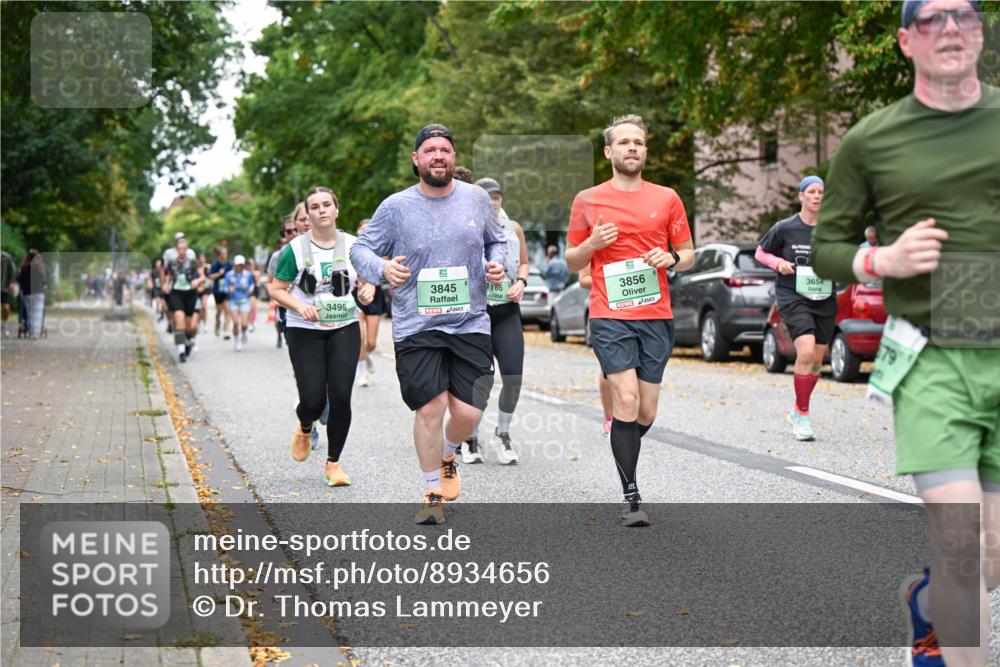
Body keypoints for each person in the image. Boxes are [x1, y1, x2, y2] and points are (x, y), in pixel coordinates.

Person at [812, 2, 998, 665]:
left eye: (965, 15)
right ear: (904, 41)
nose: (950, 27)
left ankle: (927, 603)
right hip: (933, 355)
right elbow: (827, 246)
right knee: (964, 546)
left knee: (991, 561)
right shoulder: (873, 138)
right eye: (931, 17)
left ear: (981, 32)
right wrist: (879, 260)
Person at [350, 123, 507, 524]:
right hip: (417, 324)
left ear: (453, 158)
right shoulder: (396, 207)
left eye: (446, 150)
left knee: (470, 412)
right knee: (431, 406)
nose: (439, 156)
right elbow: (361, 249)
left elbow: (498, 240)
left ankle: (449, 452)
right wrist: (383, 268)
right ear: (416, 159)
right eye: (431, 150)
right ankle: (431, 490)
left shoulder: (475, 200)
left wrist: (497, 264)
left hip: (470, 320)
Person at [565, 114, 695, 527]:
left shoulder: (668, 197)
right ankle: (632, 496)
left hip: (655, 316)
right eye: (624, 142)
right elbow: (572, 261)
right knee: (625, 399)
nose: (632, 148)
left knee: (646, 410)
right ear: (609, 151)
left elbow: (689, 253)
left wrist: (671, 258)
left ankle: (622, 444)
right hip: (609, 314)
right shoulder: (588, 200)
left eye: (638, 142)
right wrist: (592, 243)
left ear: (645, 150)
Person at [268, 186, 375, 487]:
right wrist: (300, 306)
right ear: (308, 215)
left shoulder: (355, 246)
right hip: (305, 331)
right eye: (314, 207)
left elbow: (368, 283)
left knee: (341, 396)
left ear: (337, 210)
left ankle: (334, 464)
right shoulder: (296, 250)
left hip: (344, 326)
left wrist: (368, 291)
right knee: (313, 400)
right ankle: (304, 426)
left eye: (327, 204)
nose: (322, 210)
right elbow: (276, 289)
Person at [754, 175, 833, 442]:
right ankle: (803, 413)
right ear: (801, 196)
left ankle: (799, 408)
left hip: (824, 297)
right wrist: (779, 264)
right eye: (811, 191)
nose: (817, 196)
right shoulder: (785, 228)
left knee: (817, 361)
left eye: (821, 192)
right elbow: (760, 252)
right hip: (793, 296)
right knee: (807, 351)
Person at [461, 177, 529, 465]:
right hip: (476, 314)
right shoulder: (463, 228)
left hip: (506, 312)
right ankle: (470, 437)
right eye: (486, 197)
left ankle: (503, 434)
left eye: (497, 197)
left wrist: (522, 282)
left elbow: (523, 263)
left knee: (513, 376)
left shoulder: (513, 229)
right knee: (478, 380)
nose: (492, 201)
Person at [578, 266, 615, 437]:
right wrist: (613, 278)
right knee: (609, 366)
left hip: (639, 310)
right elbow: (584, 279)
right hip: (607, 309)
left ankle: (629, 413)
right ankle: (609, 417)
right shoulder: (596, 238)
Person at [351, 218, 387, 388]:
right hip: (355, 295)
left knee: (371, 342)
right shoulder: (352, 248)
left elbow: (385, 268)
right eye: (362, 228)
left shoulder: (381, 248)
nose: (365, 230)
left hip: (375, 295)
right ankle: (362, 372)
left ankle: (366, 355)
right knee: (359, 338)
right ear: (358, 230)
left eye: (368, 228)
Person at [161, 232, 205, 362]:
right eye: (179, 249)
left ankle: (189, 340)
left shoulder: (193, 262)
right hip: (176, 293)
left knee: (191, 326)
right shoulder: (172, 261)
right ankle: (181, 351)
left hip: (191, 293)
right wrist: (165, 285)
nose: (182, 251)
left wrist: (198, 281)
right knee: (179, 319)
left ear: (187, 249)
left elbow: (202, 276)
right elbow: (168, 276)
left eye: (184, 249)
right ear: (176, 248)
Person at [224, 255, 256, 351]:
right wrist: (229, 289)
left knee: (244, 324)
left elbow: (252, 284)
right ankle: (237, 341)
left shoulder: (248, 274)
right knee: (235, 322)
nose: (240, 266)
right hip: (233, 301)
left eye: (242, 265)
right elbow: (225, 288)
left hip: (244, 300)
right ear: (235, 265)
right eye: (238, 265)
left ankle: (243, 332)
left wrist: (250, 290)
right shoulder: (229, 275)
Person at [18, 249, 47, 339]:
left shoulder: (24, 267)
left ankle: (31, 331)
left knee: (30, 313)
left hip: (28, 293)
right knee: (38, 312)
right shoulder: (41, 267)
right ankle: (36, 332)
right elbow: (44, 281)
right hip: (39, 292)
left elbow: (20, 280)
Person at [208, 246, 233, 339]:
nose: (224, 256)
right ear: (220, 255)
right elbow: (210, 277)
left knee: (227, 310)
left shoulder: (229, 265)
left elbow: (233, 275)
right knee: (219, 311)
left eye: (226, 254)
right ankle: (217, 323)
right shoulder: (215, 264)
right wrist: (219, 273)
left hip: (226, 290)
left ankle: (226, 331)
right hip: (217, 291)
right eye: (223, 254)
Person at [2, 250, 17, 338]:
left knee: (6, 307)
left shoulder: (6, 257)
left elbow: (13, 270)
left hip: (4, 287)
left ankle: (5, 325)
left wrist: (12, 282)